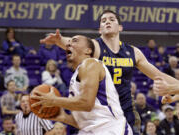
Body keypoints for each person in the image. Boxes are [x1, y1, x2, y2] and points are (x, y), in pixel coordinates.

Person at [39, 10, 179, 134]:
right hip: (98, 113)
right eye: (103, 20)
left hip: (124, 111)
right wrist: (59, 40)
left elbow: (158, 75)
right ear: (99, 29)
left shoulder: (132, 52)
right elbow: (77, 45)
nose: (107, 22)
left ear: (120, 27)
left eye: (112, 19)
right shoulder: (96, 46)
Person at [31, 35, 133, 135]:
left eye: (75, 41)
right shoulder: (76, 77)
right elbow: (86, 123)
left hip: (111, 129)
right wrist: (63, 117)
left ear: (88, 51)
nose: (68, 45)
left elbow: (86, 103)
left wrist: (54, 100)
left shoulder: (90, 63)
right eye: (68, 43)